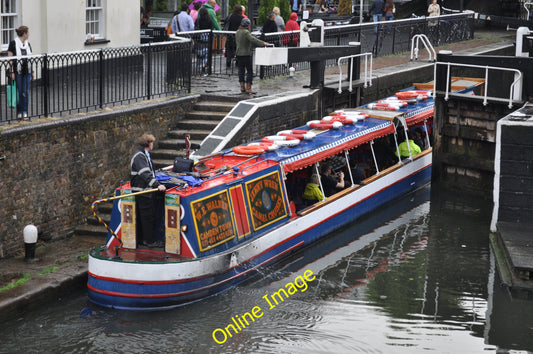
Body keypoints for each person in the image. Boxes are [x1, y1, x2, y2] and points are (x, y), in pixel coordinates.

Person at [131, 133, 167, 248]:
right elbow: (145, 174)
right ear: (148, 143)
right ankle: (150, 241)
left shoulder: (144, 155)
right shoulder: (140, 156)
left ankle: (143, 240)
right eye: (152, 142)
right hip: (143, 191)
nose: (153, 144)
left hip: (145, 191)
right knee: (147, 217)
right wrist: (157, 185)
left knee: (145, 217)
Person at [236, 18, 269, 94]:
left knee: (241, 70)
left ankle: (242, 87)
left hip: (238, 54)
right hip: (246, 54)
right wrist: (263, 43)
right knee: (249, 71)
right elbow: (253, 40)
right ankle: (248, 88)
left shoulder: (237, 32)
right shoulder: (246, 32)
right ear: (248, 25)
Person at [8, 25, 32, 120]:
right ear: (24, 34)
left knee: (25, 92)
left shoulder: (27, 44)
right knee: (19, 91)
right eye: (28, 33)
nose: (29, 35)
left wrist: (32, 71)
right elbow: (10, 59)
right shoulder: (13, 43)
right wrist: (12, 72)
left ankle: (25, 112)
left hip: (27, 71)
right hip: (17, 72)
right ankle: (19, 112)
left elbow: (31, 58)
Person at [195, 7, 212, 75]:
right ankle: (204, 64)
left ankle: (199, 66)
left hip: (199, 38)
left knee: (199, 53)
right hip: (207, 38)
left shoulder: (198, 20)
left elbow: (195, 27)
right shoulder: (209, 20)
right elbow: (211, 28)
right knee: (206, 53)